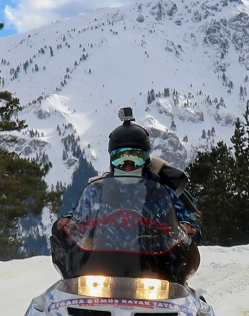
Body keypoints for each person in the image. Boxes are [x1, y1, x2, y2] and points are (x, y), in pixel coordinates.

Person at [51, 108, 202, 281]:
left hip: (154, 270)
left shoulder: (160, 193)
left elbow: (190, 227)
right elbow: (77, 217)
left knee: (192, 303)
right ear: (111, 161)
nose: (128, 166)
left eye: (135, 158)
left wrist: (188, 229)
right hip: (98, 269)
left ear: (146, 160)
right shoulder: (97, 191)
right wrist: (66, 224)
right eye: (120, 159)